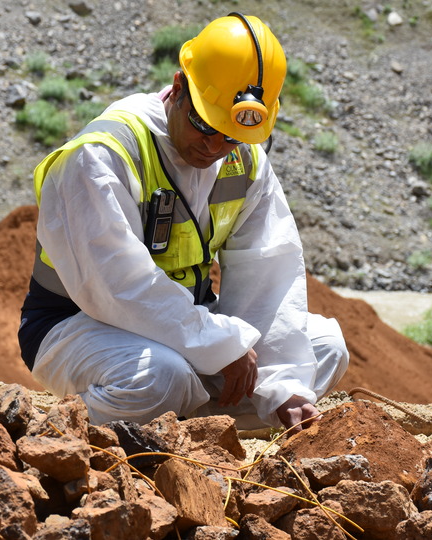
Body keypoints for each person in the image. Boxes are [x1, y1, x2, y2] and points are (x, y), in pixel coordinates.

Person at [18, 13, 348, 432]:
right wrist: (220, 344)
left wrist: (283, 384)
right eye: (204, 125)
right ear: (178, 87)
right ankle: (54, 434)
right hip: (80, 322)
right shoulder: (103, 155)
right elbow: (118, 288)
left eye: (231, 136)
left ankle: (186, 424)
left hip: (187, 323)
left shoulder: (244, 162)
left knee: (323, 349)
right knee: (161, 377)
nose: (214, 147)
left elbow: (268, 271)